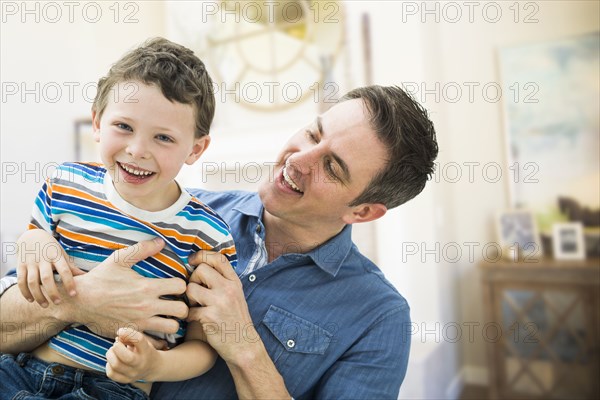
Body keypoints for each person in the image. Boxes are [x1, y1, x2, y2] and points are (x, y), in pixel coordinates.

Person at [0, 84, 438, 399]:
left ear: (362, 212)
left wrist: (244, 347)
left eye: (333, 166)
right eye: (313, 133)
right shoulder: (175, 210)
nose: (298, 159)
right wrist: (73, 299)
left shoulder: (379, 317)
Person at [0, 37, 237, 399]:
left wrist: (156, 366)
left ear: (196, 149)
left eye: (163, 137)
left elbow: (204, 347)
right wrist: (33, 241)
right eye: (123, 127)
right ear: (97, 121)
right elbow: (30, 266)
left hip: (110, 390)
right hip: (21, 367)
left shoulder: (206, 234)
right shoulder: (63, 184)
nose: (137, 150)